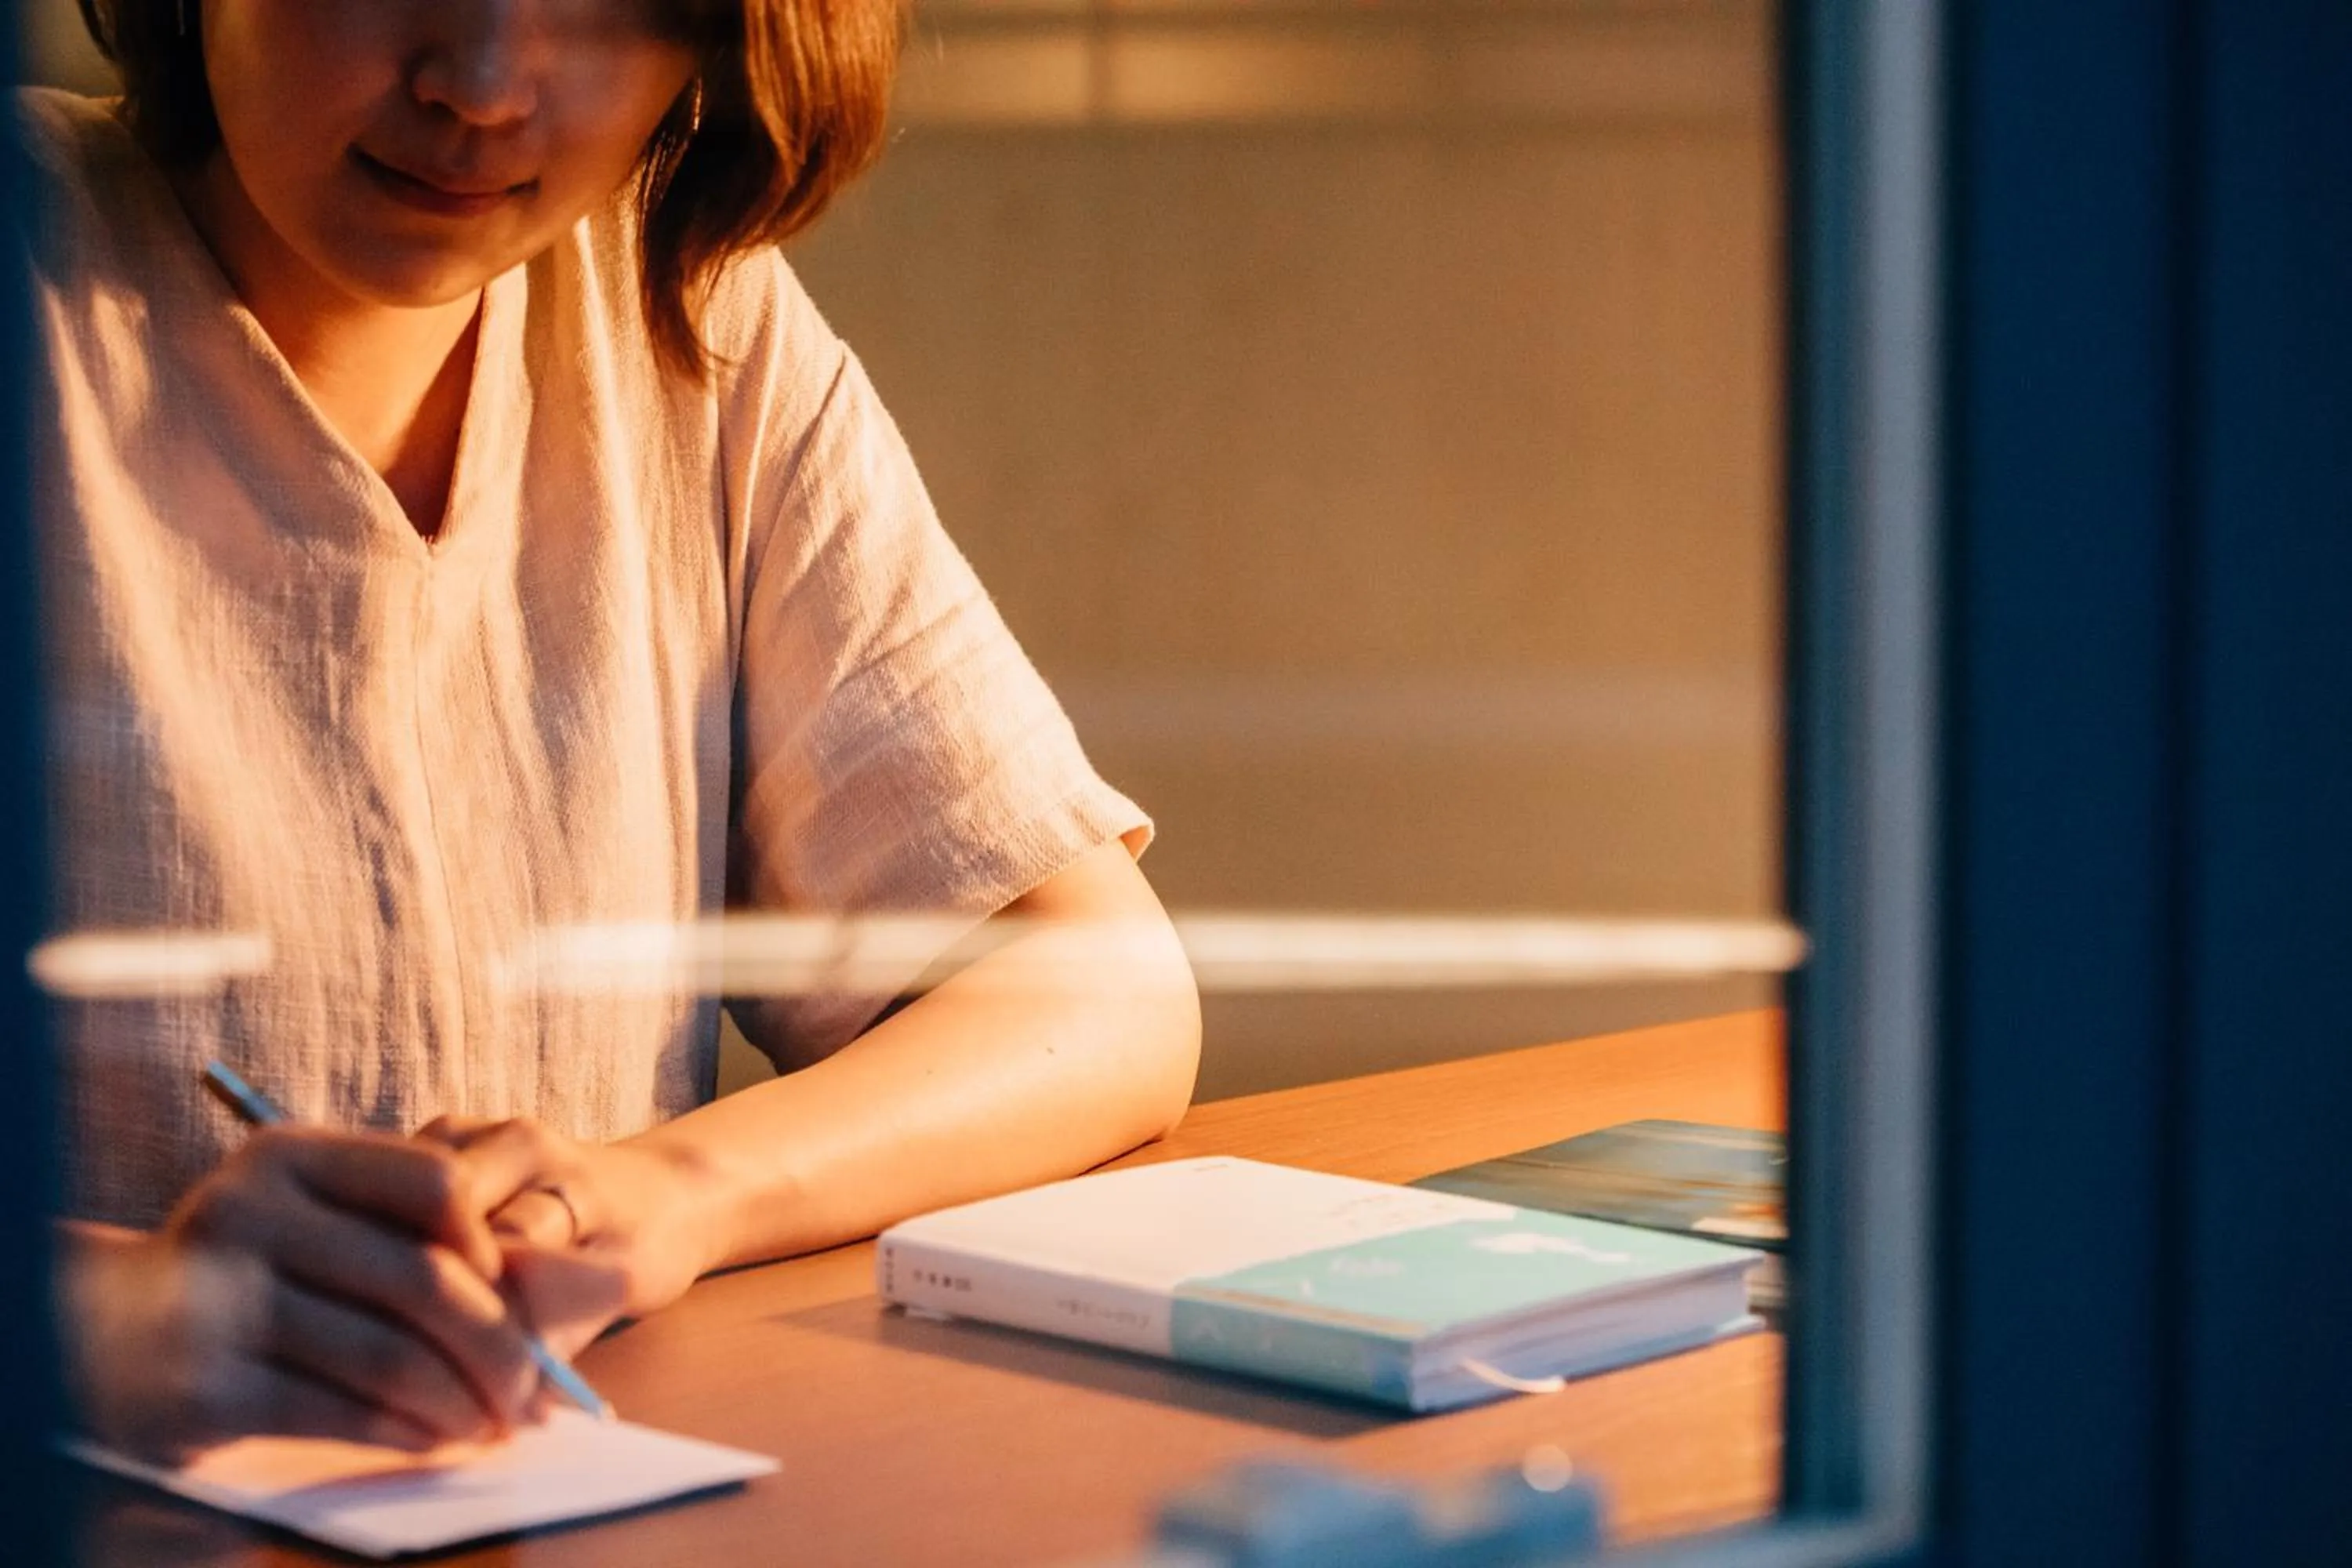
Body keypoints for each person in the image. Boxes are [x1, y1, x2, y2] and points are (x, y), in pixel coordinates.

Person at [24, 0, 1200, 1461]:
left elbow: (1100, 992)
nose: (483, 84)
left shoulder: (683, 314)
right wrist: (132, 1309)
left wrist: (661, 1195)